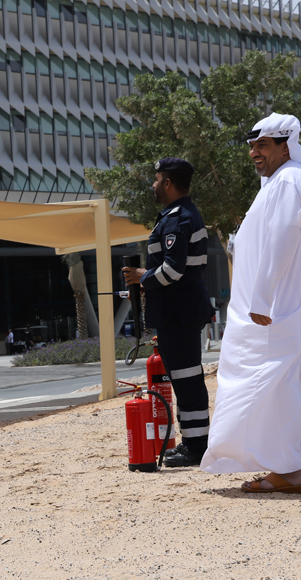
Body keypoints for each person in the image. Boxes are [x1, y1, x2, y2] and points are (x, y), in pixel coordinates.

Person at [201, 113, 301, 492]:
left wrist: (262, 297)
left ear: (285, 146)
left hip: (273, 313)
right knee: (276, 387)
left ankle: (289, 470)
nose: (253, 153)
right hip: (272, 311)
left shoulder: (288, 180)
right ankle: (288, 467)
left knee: (274, 387)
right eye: (251, 146)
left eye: (262, 145)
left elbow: (283, 239)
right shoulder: (279, 181)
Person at [121, 157, 214, 468]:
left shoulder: (177, 219)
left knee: (187, 379)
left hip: (179, 312)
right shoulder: (180, 214)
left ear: (169, 183)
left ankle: (196, 447)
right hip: (179, 310)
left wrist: (142, 277)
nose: (154, 185)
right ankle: (193, 443)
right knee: (185, 379)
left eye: (157, 179)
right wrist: (146, 280)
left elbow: (173, 271)